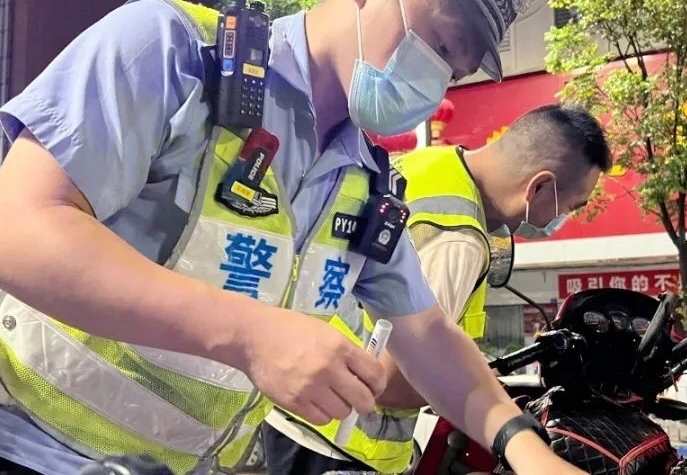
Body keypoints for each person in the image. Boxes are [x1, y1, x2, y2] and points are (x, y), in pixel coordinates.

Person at [0, 0, 588, 475]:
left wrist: (525, 447)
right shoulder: (174, 51)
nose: (438, 80)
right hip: (17, 450)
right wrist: (250, 334)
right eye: (440, 45)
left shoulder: (366, 180)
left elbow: (426, 333)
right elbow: (15, 235)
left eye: (454, 69)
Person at [262, 103, 612, 474]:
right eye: (570, 206)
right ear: (539, 186)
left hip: (294, 407)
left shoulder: (431, 167)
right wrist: (474, 389)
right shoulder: (456, 237)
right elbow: (401, 378)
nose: (561, 219)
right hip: (339, 443)